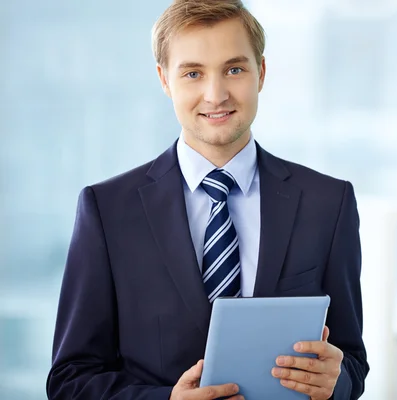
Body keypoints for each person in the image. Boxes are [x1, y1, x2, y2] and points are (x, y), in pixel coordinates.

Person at [46, 0, 369, 399]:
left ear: (261, 73)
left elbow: (351, 361)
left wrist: (337, 383)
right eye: (193, 73)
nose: (215, 95)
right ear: (165, 80)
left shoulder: (328, 203)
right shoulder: (108, 210)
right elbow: (70, 380)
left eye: (234, 69)